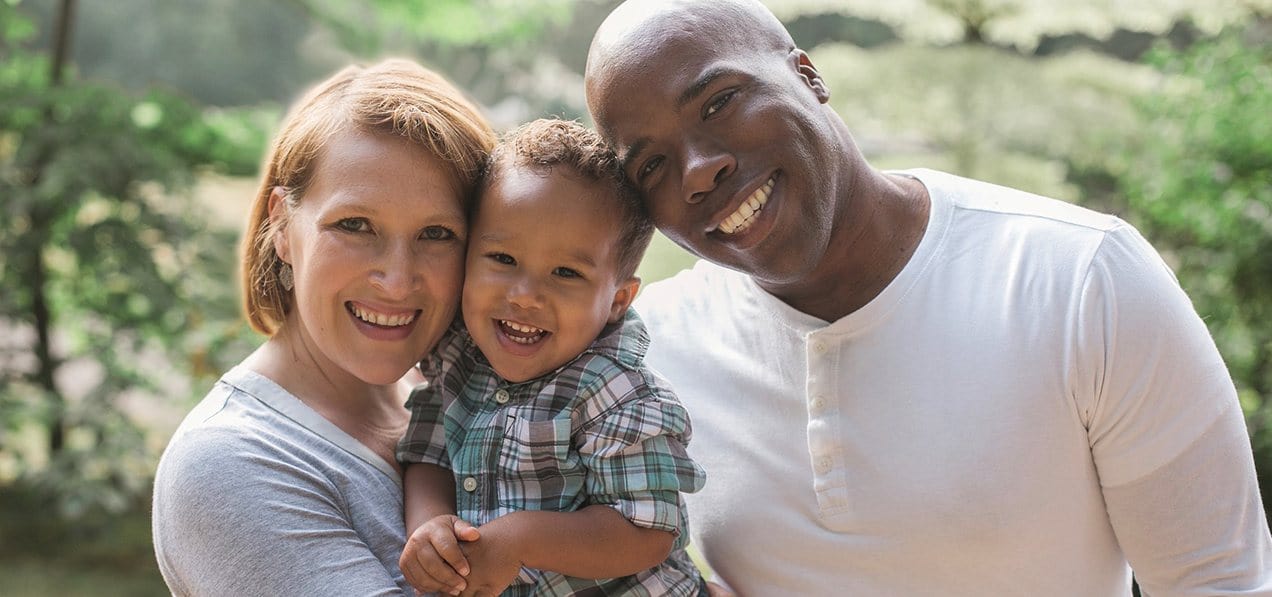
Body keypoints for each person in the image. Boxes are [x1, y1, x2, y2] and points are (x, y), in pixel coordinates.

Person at [583, 0, 1272, 595]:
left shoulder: (1081, 279)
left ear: (807, 74)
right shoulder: (646, 362)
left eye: (718, 102)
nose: (700, 170)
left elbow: (1220, 582)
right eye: (651, 164)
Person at [151, 59, 496, 596]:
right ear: (282, 226)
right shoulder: (230, 461)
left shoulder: (459, 402)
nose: (398, 280)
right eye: (354, 225)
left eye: (437, 233)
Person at [395, 118, 709, 596]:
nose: (524, 296)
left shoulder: (615, 390)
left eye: (565, 272)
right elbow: (429, 454)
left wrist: (520, 540)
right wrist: (432, 527)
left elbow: (647, 532)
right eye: (502, 259)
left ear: (618, 301)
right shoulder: (459, 356)